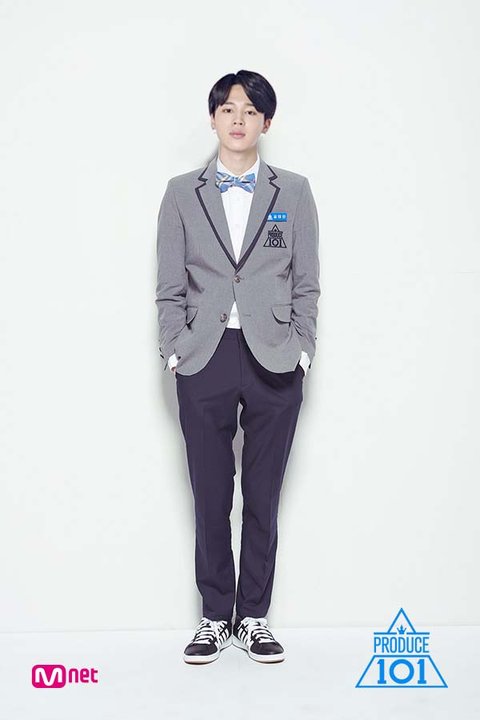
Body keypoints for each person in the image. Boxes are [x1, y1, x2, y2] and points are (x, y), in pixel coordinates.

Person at [155, 69, 321, 664]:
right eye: (228, 109)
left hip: (274, 354)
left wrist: (303, 347)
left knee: (263, 494)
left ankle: (253, 617)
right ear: (213, 118)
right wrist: (174, 348)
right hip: (205, 355)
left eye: (250, 110)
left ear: (266, 122)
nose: (238, 119)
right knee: (209, 493)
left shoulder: (293, 191)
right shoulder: (181, 192)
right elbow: (168, 284)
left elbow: (307, 281)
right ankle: (213, 616)